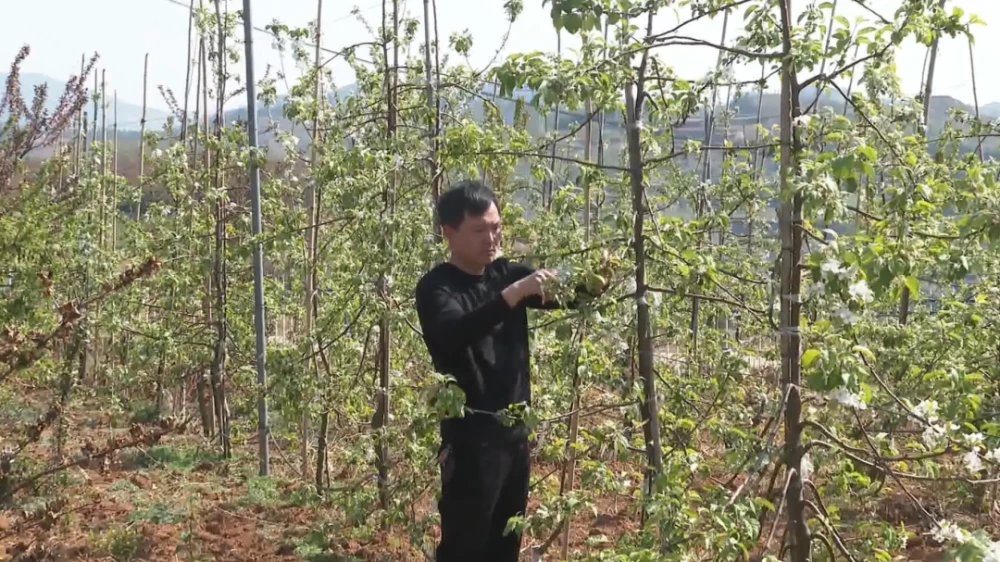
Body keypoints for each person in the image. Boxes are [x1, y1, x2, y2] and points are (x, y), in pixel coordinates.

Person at [415, 180, 595, 562]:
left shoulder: (504, 273)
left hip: (514, 438)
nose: (491, 238)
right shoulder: (437, 287)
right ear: (449, 232)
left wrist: (601, 278)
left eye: (496, 227)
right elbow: (452, 334)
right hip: (470, 441)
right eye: (479, 230)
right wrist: (514, 295)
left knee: (504, 545)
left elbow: (569, 295)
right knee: (465, 545)